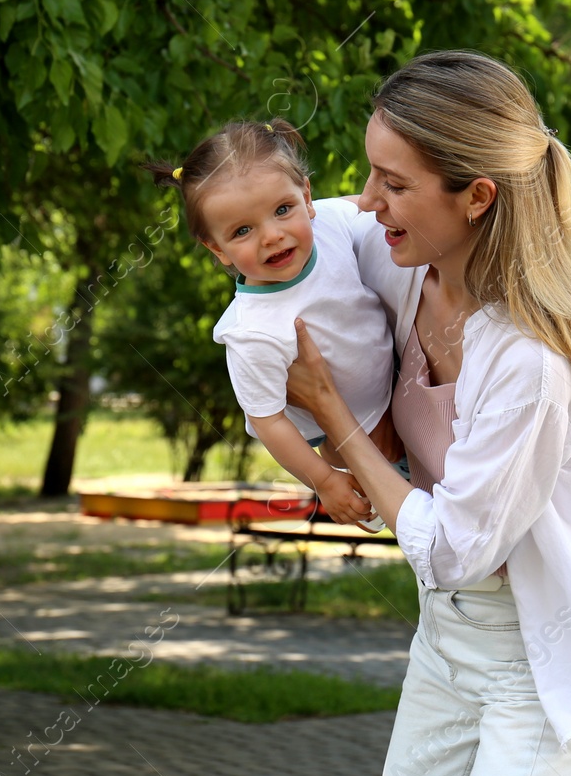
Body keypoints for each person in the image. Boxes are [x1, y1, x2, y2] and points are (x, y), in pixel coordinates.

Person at [284, 51, 571, 776]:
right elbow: (290, 238)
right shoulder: (402, 255)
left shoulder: (531, 357)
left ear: (477, 196)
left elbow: (456, 547)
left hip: (539, 663)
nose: (367, 199)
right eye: (370, 171)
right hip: (446, 644)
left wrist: (336, 423)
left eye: (395, 182)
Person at [144, 119, 396, 528]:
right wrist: (325, 480)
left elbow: (375, 209)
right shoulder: (252, 332)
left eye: (283, 210)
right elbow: (268, 419)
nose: (272, 236)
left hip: (401, 395)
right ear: (217, 248)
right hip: (352, 447)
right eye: (242, 230)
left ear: (307, 198)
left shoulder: (329, 223)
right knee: (431, 538)